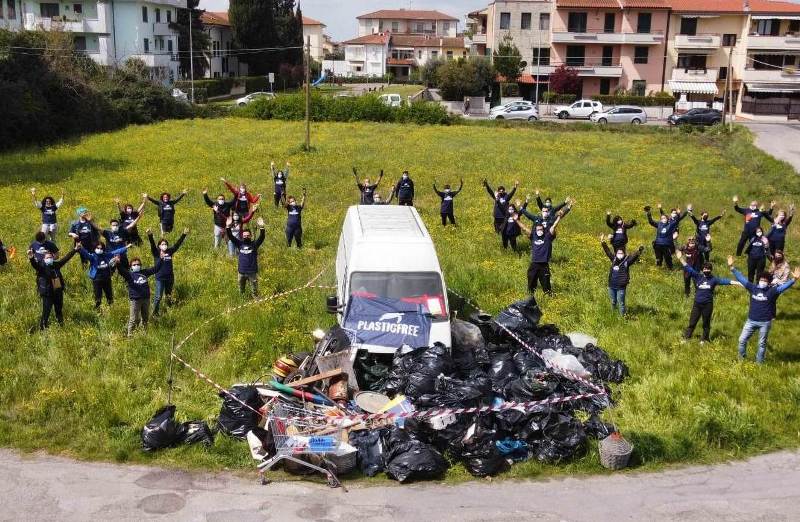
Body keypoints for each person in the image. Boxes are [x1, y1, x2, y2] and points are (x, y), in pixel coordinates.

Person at [728, 255, 798, 363]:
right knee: (741, 340)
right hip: (750, 321)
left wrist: (793, 280)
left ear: (769, 282)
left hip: (765, 322)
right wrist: (732, 268)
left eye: (765, 280)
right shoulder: (753, 288)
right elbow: (742, 279)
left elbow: (783, 287)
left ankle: (759, 363)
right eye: (761, 279)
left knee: (761, 344)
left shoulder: (772, 291)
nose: (763, 281)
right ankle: (741, 359)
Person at [677, 251, 738, 343]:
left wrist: (740, 283)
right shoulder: (698, 276)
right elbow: (688, 268)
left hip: (707, 305)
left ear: (711, 270)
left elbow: (726, 281)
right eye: (705, 268)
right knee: (692, 322)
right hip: (697, 304)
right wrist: (680, 258)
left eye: (708, 268)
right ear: (702, 269)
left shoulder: (714, 279)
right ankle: (686, 337)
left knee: (706, 323)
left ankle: (704, 339)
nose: (706, 270)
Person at [27, 244, 79, 329]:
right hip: (47, 293)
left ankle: (61, 325)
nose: (49, 259)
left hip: (58, 291)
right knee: (46, 312)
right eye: (47, 258)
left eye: (50, 257)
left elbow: (65, 259)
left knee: (59, 310)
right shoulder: (41, 267)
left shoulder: (55, 265)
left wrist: (75, 249)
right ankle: (43, 328)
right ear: (44, 259)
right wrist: (31, 257)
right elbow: (34, 265)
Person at [515, 210, 563, 295]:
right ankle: (531, 299)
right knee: (531, 286)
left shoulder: (548, 237)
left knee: (547, 287)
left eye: (541, 229)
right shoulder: (533, 236)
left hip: (544, 266)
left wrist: (559, 217)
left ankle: (549, 298)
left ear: (544, 230)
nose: (539, 231)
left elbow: (553, 227)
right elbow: (524, 228)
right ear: (536, 230)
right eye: (538, 229)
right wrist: (517, 220)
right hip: (534, 265)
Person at [147, 227, 188, 315]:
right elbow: (152, 245)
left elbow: (177, 244)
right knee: (158, 297)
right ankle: (155, 313)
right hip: (160, 278)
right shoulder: (156, 253)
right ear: (159, 246)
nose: (164, 245)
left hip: (170, 277)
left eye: (165, 244)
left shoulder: (169, 251)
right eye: (162, 244)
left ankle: (169, 308)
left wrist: (184, 234)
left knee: (168, 295)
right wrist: (150, 235)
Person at [601, 236, 644, 316]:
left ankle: (622, 318)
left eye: (621, 253)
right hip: (611, 286)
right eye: (618, 253)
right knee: (613, 302)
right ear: (616, 253)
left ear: (624, 254)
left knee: (621, 303)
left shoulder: (626, 262)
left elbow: (634, 257)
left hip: (621, 287)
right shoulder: (613, 259)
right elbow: (608, 251)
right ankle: (613, 315)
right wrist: (603, 242)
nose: (620, 254)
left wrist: (639, 250)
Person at [117, 257, 160, 337]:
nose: (136, 266)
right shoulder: (129, 274)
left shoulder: (144, 272)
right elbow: (121, 271)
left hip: (146, 299)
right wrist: (118, 263)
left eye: (138, 264)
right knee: (133, 319)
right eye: (134, 264)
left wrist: (161, 259)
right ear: (131, 267)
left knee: (145, 318)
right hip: (135, 300)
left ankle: (144, 334)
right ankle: (130, 336)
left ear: (141, 265)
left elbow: (156, 269)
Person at [79, 241, 129, 309]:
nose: (99, 250)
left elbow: (116, 251)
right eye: (98, 248)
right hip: (97, 280)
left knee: (109, 296)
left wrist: (126, 247)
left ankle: (111, 309)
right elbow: (86, 254)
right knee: (98, 297)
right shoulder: (93, 256)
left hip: (107, 279)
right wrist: (81, 248)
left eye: (101, 248)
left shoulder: (106, 254)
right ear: (95, 248)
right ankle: (97, 310)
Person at [226, 218, 266, 297]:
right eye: (244, 235)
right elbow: (230, 236)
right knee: (241, 291)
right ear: (242, 236)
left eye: (248, 235)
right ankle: (242, 301)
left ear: (251, 236)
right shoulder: (239, 244)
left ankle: (256, 303)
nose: (246, 237)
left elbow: (261, 237)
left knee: (254, 292)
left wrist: (262, 227)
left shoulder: (254, 244)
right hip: (241, 272)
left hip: (252, 272)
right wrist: (228, 226)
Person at [645, 205, 681, 269]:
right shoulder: (659, 224)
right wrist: (648, 213)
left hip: (666, 245)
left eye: (664, 218)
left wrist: (678, 214)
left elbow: (677, 220)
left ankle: (670, 269)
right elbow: (651, 222)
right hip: (658, 244)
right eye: (662, 218)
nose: (663, 219)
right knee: (659, 258)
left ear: (667, 219)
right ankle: (659, 268)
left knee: (668, 258)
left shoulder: (671, 225)